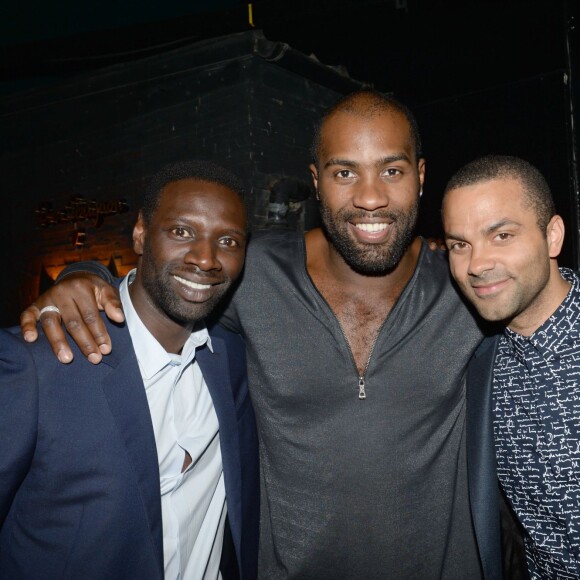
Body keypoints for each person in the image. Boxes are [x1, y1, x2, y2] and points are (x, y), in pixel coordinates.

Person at [20, 91, 517, 578]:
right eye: (345, 172)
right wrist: (83, 277)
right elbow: (168, 282)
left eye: (392, 170)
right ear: (317, 183)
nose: (370, 197)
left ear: (421, 176)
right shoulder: (254, 275)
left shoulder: (466, 287)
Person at [1, 160, 259, 579]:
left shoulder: (233, 360)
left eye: (227, 240)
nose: (206, 258)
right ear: (140, 232)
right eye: (181, 231)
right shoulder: (37, 363)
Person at [442, 154, 578, 578]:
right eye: (459, 245)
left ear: (552, 236)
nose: (476, 264)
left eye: (501, 235)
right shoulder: (482, 363)